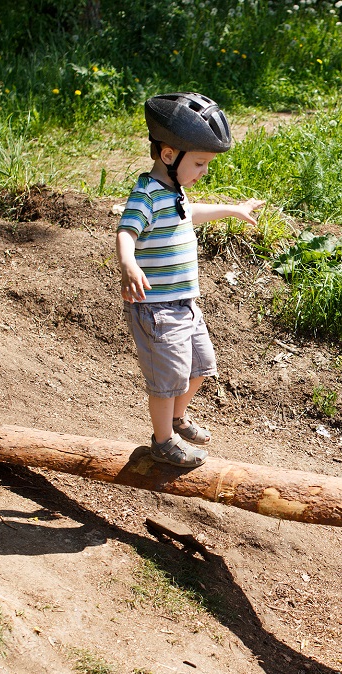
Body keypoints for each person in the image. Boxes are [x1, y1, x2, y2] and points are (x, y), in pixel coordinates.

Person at [117, 92, 264, 467]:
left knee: (200, 368)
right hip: (156, 309)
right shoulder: (146, 195)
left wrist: (232, 209)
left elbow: (189, 214)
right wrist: (129, 264)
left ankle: (177, 420)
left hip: (184, 305)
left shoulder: (174, 190)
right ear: (169, 155)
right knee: (168, 382)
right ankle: (163, 443)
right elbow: (126, 232)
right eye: (200, 162)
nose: (204, 171)